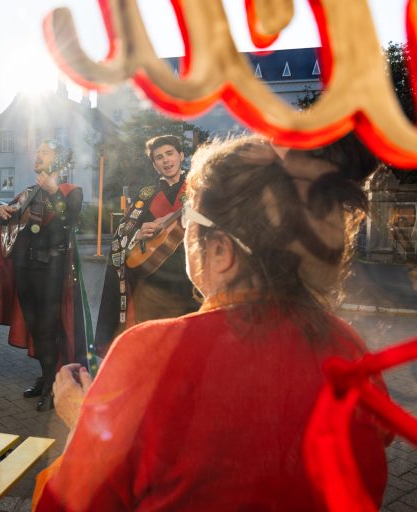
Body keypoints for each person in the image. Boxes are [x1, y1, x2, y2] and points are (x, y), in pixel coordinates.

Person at [32, 135, 390, 510]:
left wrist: (83, 422)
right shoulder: (351, 351)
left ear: (220, 251)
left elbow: (70, 504)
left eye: (190, 219)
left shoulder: (147, 353)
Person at [0, 140, 91, 412]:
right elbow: (10, 224)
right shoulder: (28, 192)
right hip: (25, 269)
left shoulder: (71, 191)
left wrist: (55, 193)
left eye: (44, 152)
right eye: (37, 152)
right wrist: (1, 212)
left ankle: (51, 384)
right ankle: (47, 376)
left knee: (47, 329)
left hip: (52, 271)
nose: (37, 156)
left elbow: (70, 222)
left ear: (58, 160)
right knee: (36, 328)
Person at [96, 134, 199, 355]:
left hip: (190, 281)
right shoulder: (146, 195)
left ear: (181, 156)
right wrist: (139, 233)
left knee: (188, 346)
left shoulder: (197, 189)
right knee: (155, 348)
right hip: (152, 285)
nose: (166, 160)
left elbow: (213, 222)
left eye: (170, 153)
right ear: (154, 165)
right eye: (159, 157)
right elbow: (122, 235)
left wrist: (190, 217)